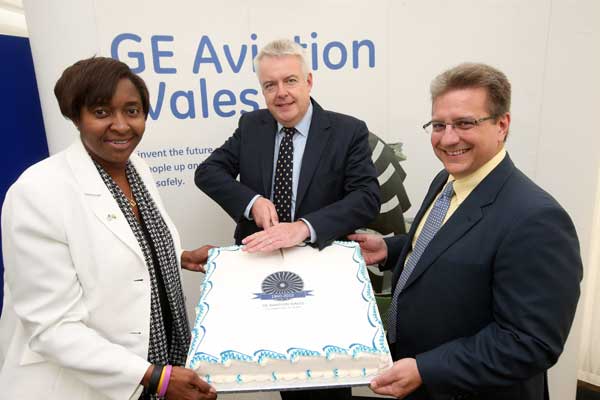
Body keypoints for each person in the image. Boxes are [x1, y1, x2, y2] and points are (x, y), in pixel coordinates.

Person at [349, 63, 582, 400]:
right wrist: (391, 249)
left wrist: (426, 370)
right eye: (439, 124)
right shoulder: (447, 180)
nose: (448, 138)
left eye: (465, 123)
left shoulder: (537, 219)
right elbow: (450, 245)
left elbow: (529, 342)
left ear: (502, 125)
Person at [0, 57, 217, 400]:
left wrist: (179, 256)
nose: (121, 125)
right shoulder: (38, 192)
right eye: (101, 112)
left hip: (162, 367)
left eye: (132, 111)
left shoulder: (138, 170)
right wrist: (155, 378)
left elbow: (126, 245)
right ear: (76, 116)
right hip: (84, 386)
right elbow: (52, 327)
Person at [195, 39, 380, 399]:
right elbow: (208, 172)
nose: (281, 93)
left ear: (309, 81)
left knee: (324, 379)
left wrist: (303, 229)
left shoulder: (347, 131)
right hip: (264, 275)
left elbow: (366, 197)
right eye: (270, 85)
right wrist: (251, 201)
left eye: (290, 81)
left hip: (322, 273)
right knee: (283, 375)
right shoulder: (252, 125)